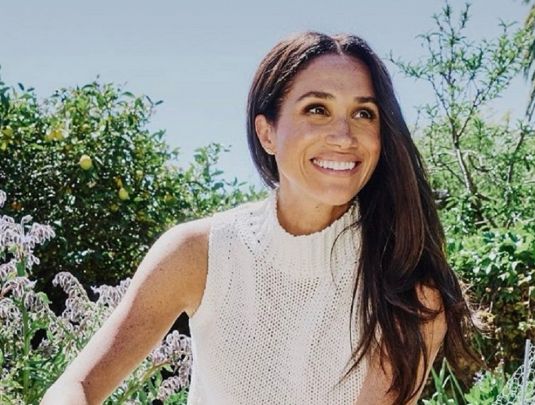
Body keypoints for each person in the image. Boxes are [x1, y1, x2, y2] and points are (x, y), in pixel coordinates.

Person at [41, 31, 480, 405]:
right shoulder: (198, 253)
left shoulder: (407, 287)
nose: (344, 136)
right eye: (317, 109)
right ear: (267, 132)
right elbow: (76, 385)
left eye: (363, 113)